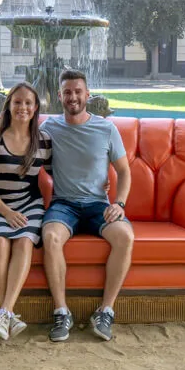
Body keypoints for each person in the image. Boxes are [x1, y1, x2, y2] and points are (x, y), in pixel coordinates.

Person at [41, 69, 133, 342]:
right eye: (67, 92)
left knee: (125, 236)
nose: (73, 97)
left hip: (98, 205)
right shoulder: (48, 128)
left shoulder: (106, 128)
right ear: (59, 96)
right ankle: (61, 311)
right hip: (63, 204)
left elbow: (125, 172)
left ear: (87, 95)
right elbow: (35, 161)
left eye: (78, 91)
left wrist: (119, 203)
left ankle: (105, 311)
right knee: (50, 236)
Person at [0, 82, 52, 340]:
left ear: (36, 108)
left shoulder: (44, 140)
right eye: (17, 102)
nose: (22, 107)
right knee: (1, 242)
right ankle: (9, 315)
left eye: (28, 103)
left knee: (25, 242)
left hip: (30, 203)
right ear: (9, 105)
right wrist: (6, 213)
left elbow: (62, 174)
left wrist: (100, 182)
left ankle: (4, 312)